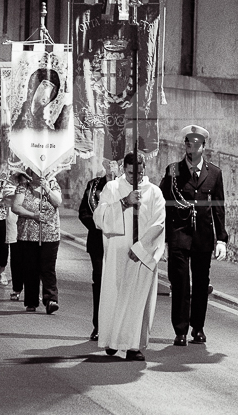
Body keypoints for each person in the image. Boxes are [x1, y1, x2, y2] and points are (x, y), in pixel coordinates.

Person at [159, 125, 228, 346]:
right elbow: (163, 204)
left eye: (196, 144)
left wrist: (221, 239)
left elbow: (218, 207)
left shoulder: (214, 173)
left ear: (203, 147)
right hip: (179, 234)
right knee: (179, 283)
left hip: (203, 236)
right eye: (188, 143)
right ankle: (180, 330)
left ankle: (197, 327)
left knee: (200, 283)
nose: (192, 148)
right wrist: (162, 238)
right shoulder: (173, 171)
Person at [94, 152, 166, 362]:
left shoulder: (154, 192)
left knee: (137, 301)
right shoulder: (112, 188)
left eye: (140, 172)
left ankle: (133, 346)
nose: (136, 177)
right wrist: (124, 202)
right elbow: (100, 218)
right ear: (124, 169)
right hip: (117, 253)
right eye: (131, 173)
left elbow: (159, 223)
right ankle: (112, 340)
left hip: (141, 256)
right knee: (115, 297)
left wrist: (141, 248)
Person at [11, 169, 63, 314]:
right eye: (36, 173)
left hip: (50, 235)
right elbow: (16, 207)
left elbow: (58, 202)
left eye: (43, 173)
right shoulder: (24, 187)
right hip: (27, 235)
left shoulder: (52, 185)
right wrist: (33, 215)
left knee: (48, 268)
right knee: (30, 268)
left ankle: (51, 299)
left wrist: (46, 188)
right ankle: (31, 301)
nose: (40, 176)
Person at [78, 169, 111, 341]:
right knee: (99, 281)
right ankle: (99, 325)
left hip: (121, 244)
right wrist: (100, 226)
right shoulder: (94, 185)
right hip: (98, 242)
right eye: (111, 162)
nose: (114, 166)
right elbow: (83, 212)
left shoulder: (128, 186)